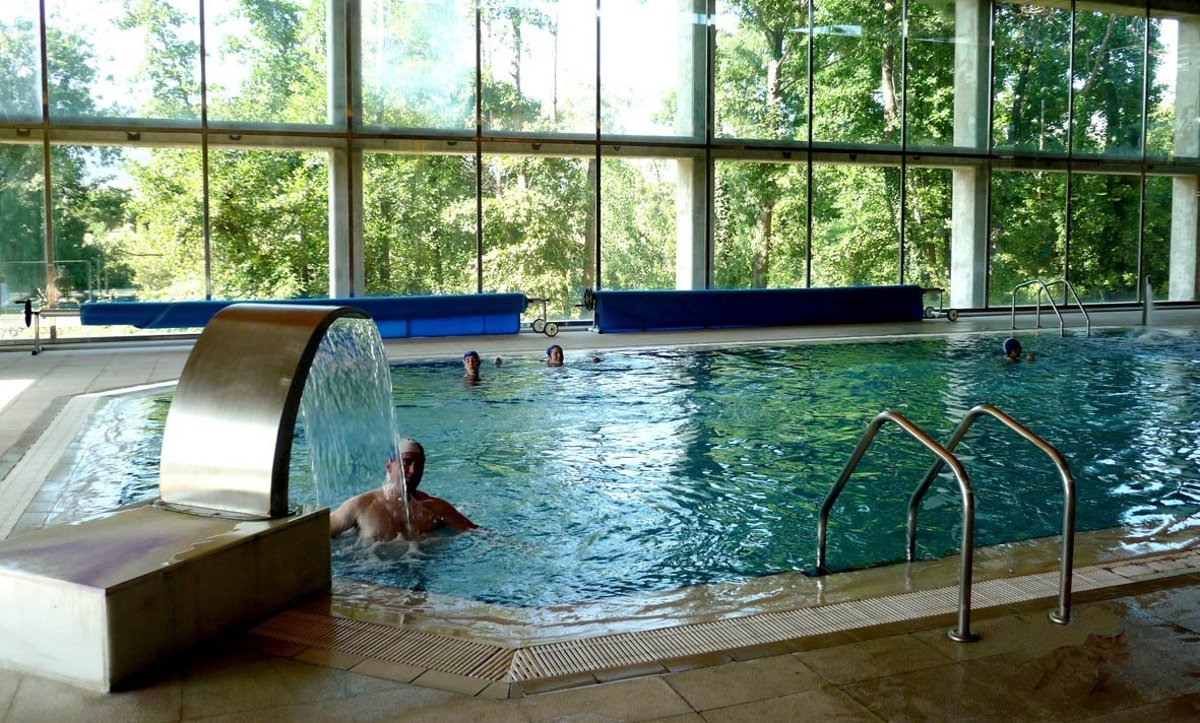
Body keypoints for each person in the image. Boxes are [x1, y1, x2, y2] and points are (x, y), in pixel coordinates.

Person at [329, 439, 477, 541]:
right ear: (389, 466)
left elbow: (478, 534)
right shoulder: (360, 506)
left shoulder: (436, 508)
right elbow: (320, 534)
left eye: (419, 465)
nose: (413, 470)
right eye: (406, 462)